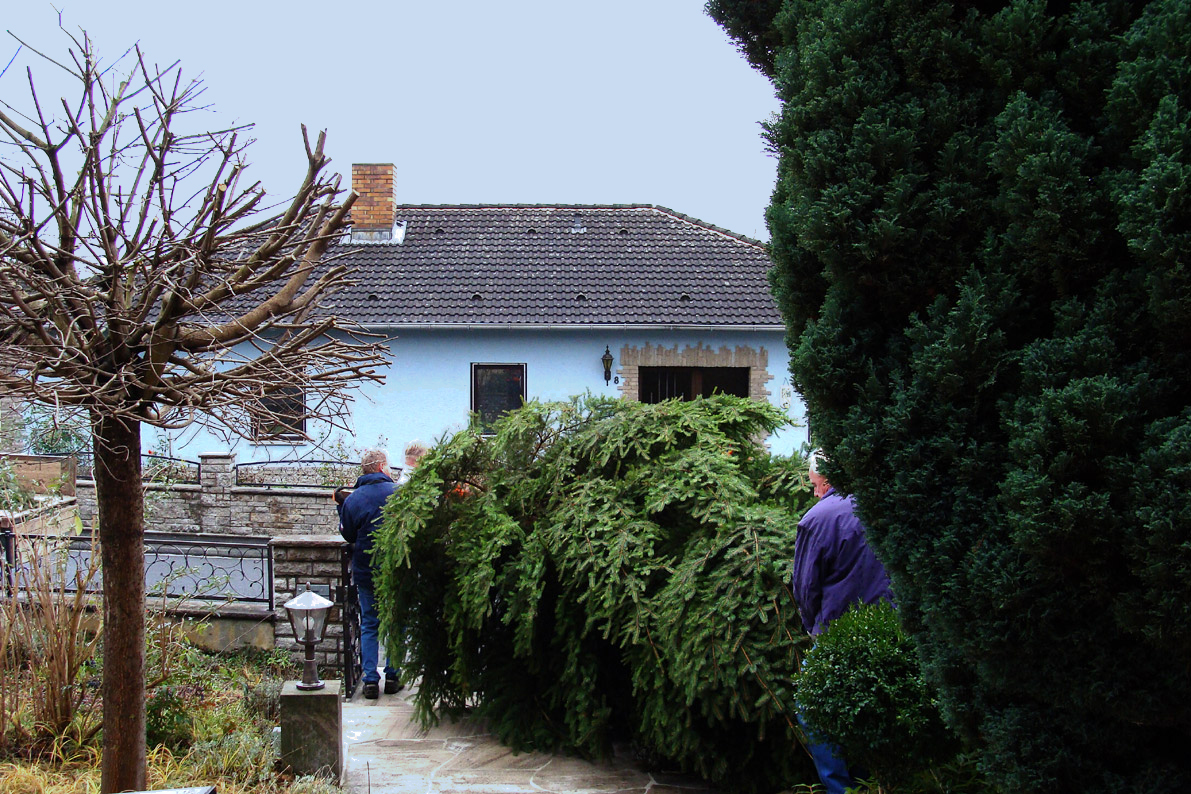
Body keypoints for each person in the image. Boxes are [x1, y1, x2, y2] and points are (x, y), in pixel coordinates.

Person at [791, 451, 893, 794]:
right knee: (869, 710)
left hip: (835, 634)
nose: (814, 492)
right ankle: (870, 781)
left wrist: (812, 625)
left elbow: (805, 587)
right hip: (886, 630)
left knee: (812, 708)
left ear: (828, 481)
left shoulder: (818, 519)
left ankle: (841, 789)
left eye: (815, 485)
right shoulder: (883, 508)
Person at [337, 448, 400, 699]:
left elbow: (348, 534)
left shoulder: (354, 499)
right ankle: (394, 675)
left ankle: (370, 679)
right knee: (395, 623)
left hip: (366, 571)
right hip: (395, 569)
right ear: (383, 467)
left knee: (369, 622)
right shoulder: (398, 494)